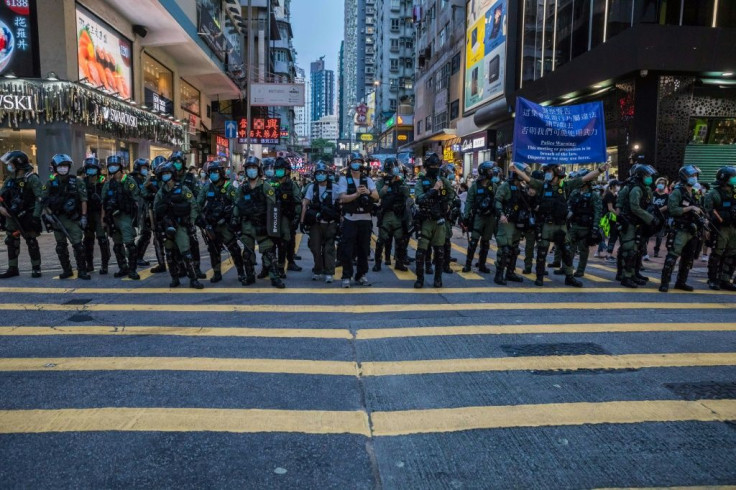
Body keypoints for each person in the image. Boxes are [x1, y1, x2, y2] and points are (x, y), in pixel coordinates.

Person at [516, 162, 608, 287]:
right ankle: (539, 277)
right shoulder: (543, 186)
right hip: (546, 225)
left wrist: (600, 170)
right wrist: (516, 170)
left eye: (549, 172)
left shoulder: (566, 186)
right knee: (542, 252)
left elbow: (585, 178)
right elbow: (529, 180)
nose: (547, 174)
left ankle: (569, 277)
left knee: (567, 251)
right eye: (546, 172)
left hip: (561, 226)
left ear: (556, 174)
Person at [233, 156, 284, 288]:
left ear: (258, 170)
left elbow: (273, 208)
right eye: (249, 168)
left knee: (269, 253)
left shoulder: (266, 187)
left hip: (262, 225)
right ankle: (250, 276)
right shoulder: (242, 188)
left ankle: (275, 278)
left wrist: (273, 228)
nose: (251, 171)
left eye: (253, 168)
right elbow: (237, 206)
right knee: (247, 254)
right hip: (247, 226)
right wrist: (234, 221)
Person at [153, 162, 204, 289]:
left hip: (180, 225)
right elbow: (155, 209)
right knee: (169, 253)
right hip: (166, 225)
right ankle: (174, 278)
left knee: (186, 252)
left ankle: (193, 279)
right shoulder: (161, 192)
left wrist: (191, 221)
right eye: (163, 174)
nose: (165, 176)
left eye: (167, 173)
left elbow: (192, 204)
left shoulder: (183, 189)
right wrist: (158, 226)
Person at [196, 160, 246, 285]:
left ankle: (241, 273)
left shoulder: (229, 187)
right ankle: (217, 273)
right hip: (211, 224)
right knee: (213, 249)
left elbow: (237, 203)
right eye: (211, 172)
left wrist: (232, 218)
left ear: (221, 173)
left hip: (225, 225)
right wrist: (200, 219)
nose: (213, 174)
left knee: (234, 249)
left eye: (216, 172)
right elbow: (198, 204)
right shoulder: (207, 187)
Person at [41, 154, 89, 280]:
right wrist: (47, 215)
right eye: (60, 166)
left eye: (65, 166)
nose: (63, 168)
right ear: (55, 168)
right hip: (57, 219)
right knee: (61, 246)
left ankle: (82, 270)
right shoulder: (50, 183)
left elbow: (84, 199)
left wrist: (84, 217)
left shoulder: (77, 181)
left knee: (78, 246)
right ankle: (66, 270)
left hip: (73, 219)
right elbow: (43, 200)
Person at [660, 165, 705, 292]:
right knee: (672, 256)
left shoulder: (695, 193)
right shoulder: (677, 192)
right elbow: (672, 209)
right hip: (680, 229)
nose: (694, 178)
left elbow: (700, 208)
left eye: (695, 176)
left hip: (693, 229)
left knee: (688, 258)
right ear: (685, 177)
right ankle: (664, 282)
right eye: (692, 176)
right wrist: (689, 208)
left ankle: (681, 282)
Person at [413, 152, 455, 288]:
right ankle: (420, 279)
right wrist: (434, 189)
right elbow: (419, 199)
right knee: (421, 252)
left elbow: (452, 194)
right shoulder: (421, 182)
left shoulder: (444, 180)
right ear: (426, 167)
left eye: (437, 165)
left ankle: (438, 279)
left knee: (440, 251)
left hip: (440, 221)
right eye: (432, 165)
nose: (435, 167)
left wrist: (448, 204)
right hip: (426, 220)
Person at [337, 152, 379, 288]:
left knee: (364, 250)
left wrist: (368, 192)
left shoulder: (368, 180)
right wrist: (356, 194)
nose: (357, 164)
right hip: (350, 219)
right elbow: (343, 198)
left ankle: (361, 275)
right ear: (350, 164)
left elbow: (377, 196)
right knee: (347, 249)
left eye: (359, 161)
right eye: (355, 161)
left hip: (366, 220)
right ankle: (346, 276)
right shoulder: (344, 179)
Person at [0, 151, 43, 279]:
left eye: (11, 163)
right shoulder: (10, 179)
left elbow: (40, 199)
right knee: (11, 241)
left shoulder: (31, 178)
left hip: (27, 215)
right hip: (11, 216)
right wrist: (1, 209)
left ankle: (36, 268)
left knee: (31, 241)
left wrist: (35, 216)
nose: (9, 166)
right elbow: (1, 195)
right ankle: (12, 268)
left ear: (18, 164)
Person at [101, 155, 141, 280]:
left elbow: (136, 200)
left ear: (120, 167)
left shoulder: (129, 181)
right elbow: (103, 203)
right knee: (117, 244)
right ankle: (123, 267)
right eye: (111, 166)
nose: (113, 168)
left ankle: (132, 269)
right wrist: (104, 220)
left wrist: (136, 218)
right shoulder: (108, 185)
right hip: (112, 218)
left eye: (115, 165)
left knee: (129, 243)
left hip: (125, 217)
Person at [301, 161, 341, 283]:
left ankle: (329, 272)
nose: (320, 175)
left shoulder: (335, 188)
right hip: (315, 224)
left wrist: (342, 222)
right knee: (315, 247)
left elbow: (341, 205)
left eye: (323, 173)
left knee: (329, 248)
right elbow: (305, 204)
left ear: (327, 174)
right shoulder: (311, 188)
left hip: (330, 223)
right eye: (318, 173)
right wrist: (302, 222)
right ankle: (317, 269)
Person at [494, 164, 534, 285]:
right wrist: (501, 214)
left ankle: (510, 272)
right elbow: (497, 201)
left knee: (514, 249)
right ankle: (499, 275)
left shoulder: (522, 188)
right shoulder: (505, 187)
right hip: (507, 221)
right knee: (504, 249)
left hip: (517, 222)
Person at [170, 151, 205, 279]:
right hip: (173, 216)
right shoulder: (169, 177)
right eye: (175, 162)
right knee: (175, 244)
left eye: (179, 162)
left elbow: (198, 196)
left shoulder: (190, 178)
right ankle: (180, 268)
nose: (177, 164)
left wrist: (194, 217)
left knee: (193, 243)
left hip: (189, 215)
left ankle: (196, 268)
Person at [373, 158, 411, 272]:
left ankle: (399, 262)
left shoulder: (401, 181)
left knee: (400, 240)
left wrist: (399, 182)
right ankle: (378, 263)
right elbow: (378, 195)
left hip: (398, 215)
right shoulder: (381, 182)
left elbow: (407, 194)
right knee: (381, 240)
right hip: (386, 214)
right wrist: (387, 184)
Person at [462, 161, 497, 273]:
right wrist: (466, 217)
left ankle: (482, 264)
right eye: (489, 170)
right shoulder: (475, 187)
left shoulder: (494, 186)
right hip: (478, 217)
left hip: (490, 218)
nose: (492, 172)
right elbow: (469, 202)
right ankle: (468, 264)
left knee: (486, 242)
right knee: (473, 241)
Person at [704, 166, 736, 291]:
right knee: (717, 253)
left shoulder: (734, 192)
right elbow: (708, 212)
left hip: (733, 227)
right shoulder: (714, 194)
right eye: (732, 177)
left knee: (732, 254)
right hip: (720, 228)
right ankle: (713, 279)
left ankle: (725, 279)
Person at [566, 169, 602, 277]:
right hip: (574, 225)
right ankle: (567, 269)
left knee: (583, 249)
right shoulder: (575, 193)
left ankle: (580, 270)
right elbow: (569, 207)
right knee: (569, 248)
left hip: (586, 227)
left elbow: (597, 212)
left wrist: (595, 227)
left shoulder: (594, 195)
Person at [270, 157, 303, 276]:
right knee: (271, 242)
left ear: (287, 171)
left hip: (287, 217)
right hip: (272, 216)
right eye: (277, 169)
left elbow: (298, 202)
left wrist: (296, 218)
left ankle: (284, 265)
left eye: (281, 169)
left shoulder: (292, 185)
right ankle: (269, 266)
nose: (278, 171)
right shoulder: (269, 182)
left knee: (286, 240)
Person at [80, 157, 110, 275]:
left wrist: (104, 217)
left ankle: (104, 265)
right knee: (88, 240)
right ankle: (89, 265)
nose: (91, 171)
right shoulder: (82, 182)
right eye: (89, 169)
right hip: (87, 214)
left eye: (93, 168)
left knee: (102, 240)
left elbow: (106, 200)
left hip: (100, 214)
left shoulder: (103, 182)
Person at [143, 156, 168, 273]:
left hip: (168, 211)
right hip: (154, 212)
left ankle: (177, 264)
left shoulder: (167, 180)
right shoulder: (151, 181)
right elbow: (143, 193)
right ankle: (161, 263)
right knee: (157, 239)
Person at [130, 158, 152, 268]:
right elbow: (137, 194)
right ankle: (135, 258)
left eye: (146, 168)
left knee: (146, 234)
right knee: (135, 236)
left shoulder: (143, 179)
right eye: (143, 168)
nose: (145, 170)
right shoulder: (132, 180)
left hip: (144, 211)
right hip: (135, 212)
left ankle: (138, 257)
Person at [651, 177, 669, 258]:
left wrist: (657, 211)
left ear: (665, 185)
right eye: (659, 183)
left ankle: (656, 251)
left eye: (663, 183)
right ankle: (644, 254)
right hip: (650, 217)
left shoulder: (667, 196)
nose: (661, 185)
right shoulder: (652, 194)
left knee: (659, 236)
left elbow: (667, 206)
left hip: (661, 219)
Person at [602, 180, 619, 261]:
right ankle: (608, 255)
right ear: (612, 186)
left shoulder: (614, 195)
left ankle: (608, 254)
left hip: (611, 217)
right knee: (613, 236)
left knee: (613, 236)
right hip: (610, 218)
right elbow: (610, 208)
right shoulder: (609, 195)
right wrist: (618, 214)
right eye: (617, 185)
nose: (618, 187)